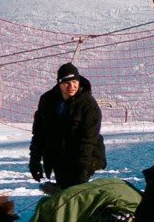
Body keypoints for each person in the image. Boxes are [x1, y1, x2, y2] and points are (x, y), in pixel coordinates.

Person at [30, 62, 106, 191]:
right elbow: (39, 134)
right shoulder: (47, 101)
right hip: (58, 157)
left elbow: (88, 140)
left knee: (75, 193)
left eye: (74, 81)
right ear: (59, 83)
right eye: (66, 83)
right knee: (65, 191)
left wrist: (82, 170)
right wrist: (35, 161)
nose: (71, 86)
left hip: (82, 157)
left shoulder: (88, 104)